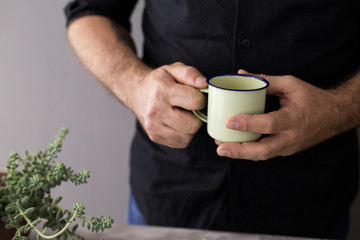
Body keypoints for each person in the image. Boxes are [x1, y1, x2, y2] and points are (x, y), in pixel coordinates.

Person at [64, 0, 360, 239]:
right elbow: (91, 12)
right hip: (168, 195)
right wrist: (134, 85)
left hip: (310, 202)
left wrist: (336, 109)